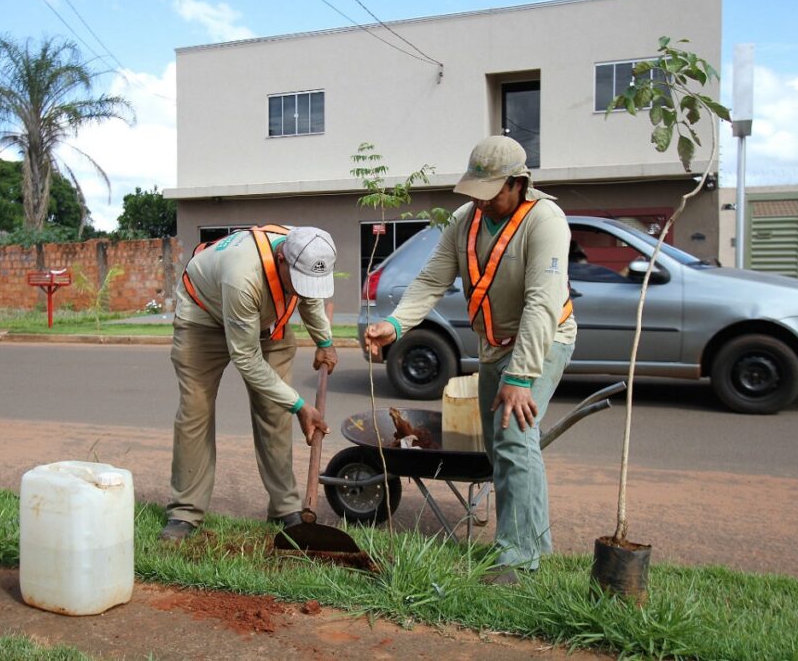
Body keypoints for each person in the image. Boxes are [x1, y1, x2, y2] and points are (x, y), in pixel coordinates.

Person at [364, 136, 577, 584]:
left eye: (492, 192)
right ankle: (533, 545)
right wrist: (396, 324)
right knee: (506, 447)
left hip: (543, 341)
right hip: (493, 345)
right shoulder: (466, 219)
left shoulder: (547, 222)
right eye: (476, 192)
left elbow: (542, 304)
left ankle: (516, 561)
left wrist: (520, 376)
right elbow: (430, 280)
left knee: (513, 435)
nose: (482, 202)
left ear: (519, 184)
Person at [160, 225, 339, 542]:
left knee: (275, 412)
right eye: (296, 281)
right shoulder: (243, 274)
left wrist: (325, 342)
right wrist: (299, 405)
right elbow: (246, 358)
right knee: (195, 412)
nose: (302, 289)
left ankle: (285, 509)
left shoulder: (308, 248)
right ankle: (185, 513)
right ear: (281, 258)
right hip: (204, 315)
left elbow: (310, 297)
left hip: (268, 320)